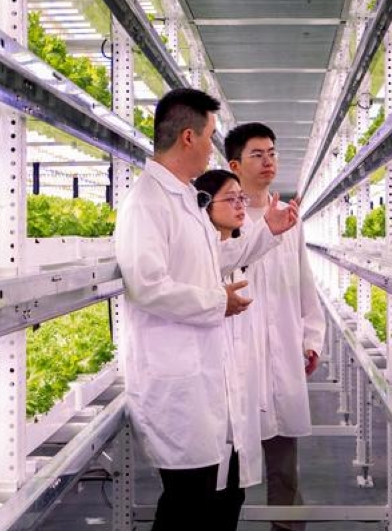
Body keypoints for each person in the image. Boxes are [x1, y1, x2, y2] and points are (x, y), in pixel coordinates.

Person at [113, 89, 299, 531]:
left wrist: (264, 233)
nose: (214, 147)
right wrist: (220, 302)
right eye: (212, 136)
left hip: (203, 381)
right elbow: (147, 285)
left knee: (214, 499)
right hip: (176, 385)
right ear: (189, 138)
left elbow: (210, 260)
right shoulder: (147, 203)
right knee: (185, 507)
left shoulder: (183, 199)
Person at [225, 123, 326, 531]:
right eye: (257, 155)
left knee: (284, 468)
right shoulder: (220, 219)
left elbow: (305, 284)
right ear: (234, 164)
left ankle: (286, 530)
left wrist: (311, 339)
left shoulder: (291, 220)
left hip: (282, 353)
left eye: (272, 153)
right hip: (235, 359)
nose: (269, 162)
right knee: (228, 472)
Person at [193, 169, 266, 528]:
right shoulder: (197, 259)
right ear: (205, 206)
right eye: (231, 198)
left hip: (235, 405)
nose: (240, 205)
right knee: (197, 504)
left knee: (232, 496)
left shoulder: (237, 265)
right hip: (204, 404)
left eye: (242, 198)